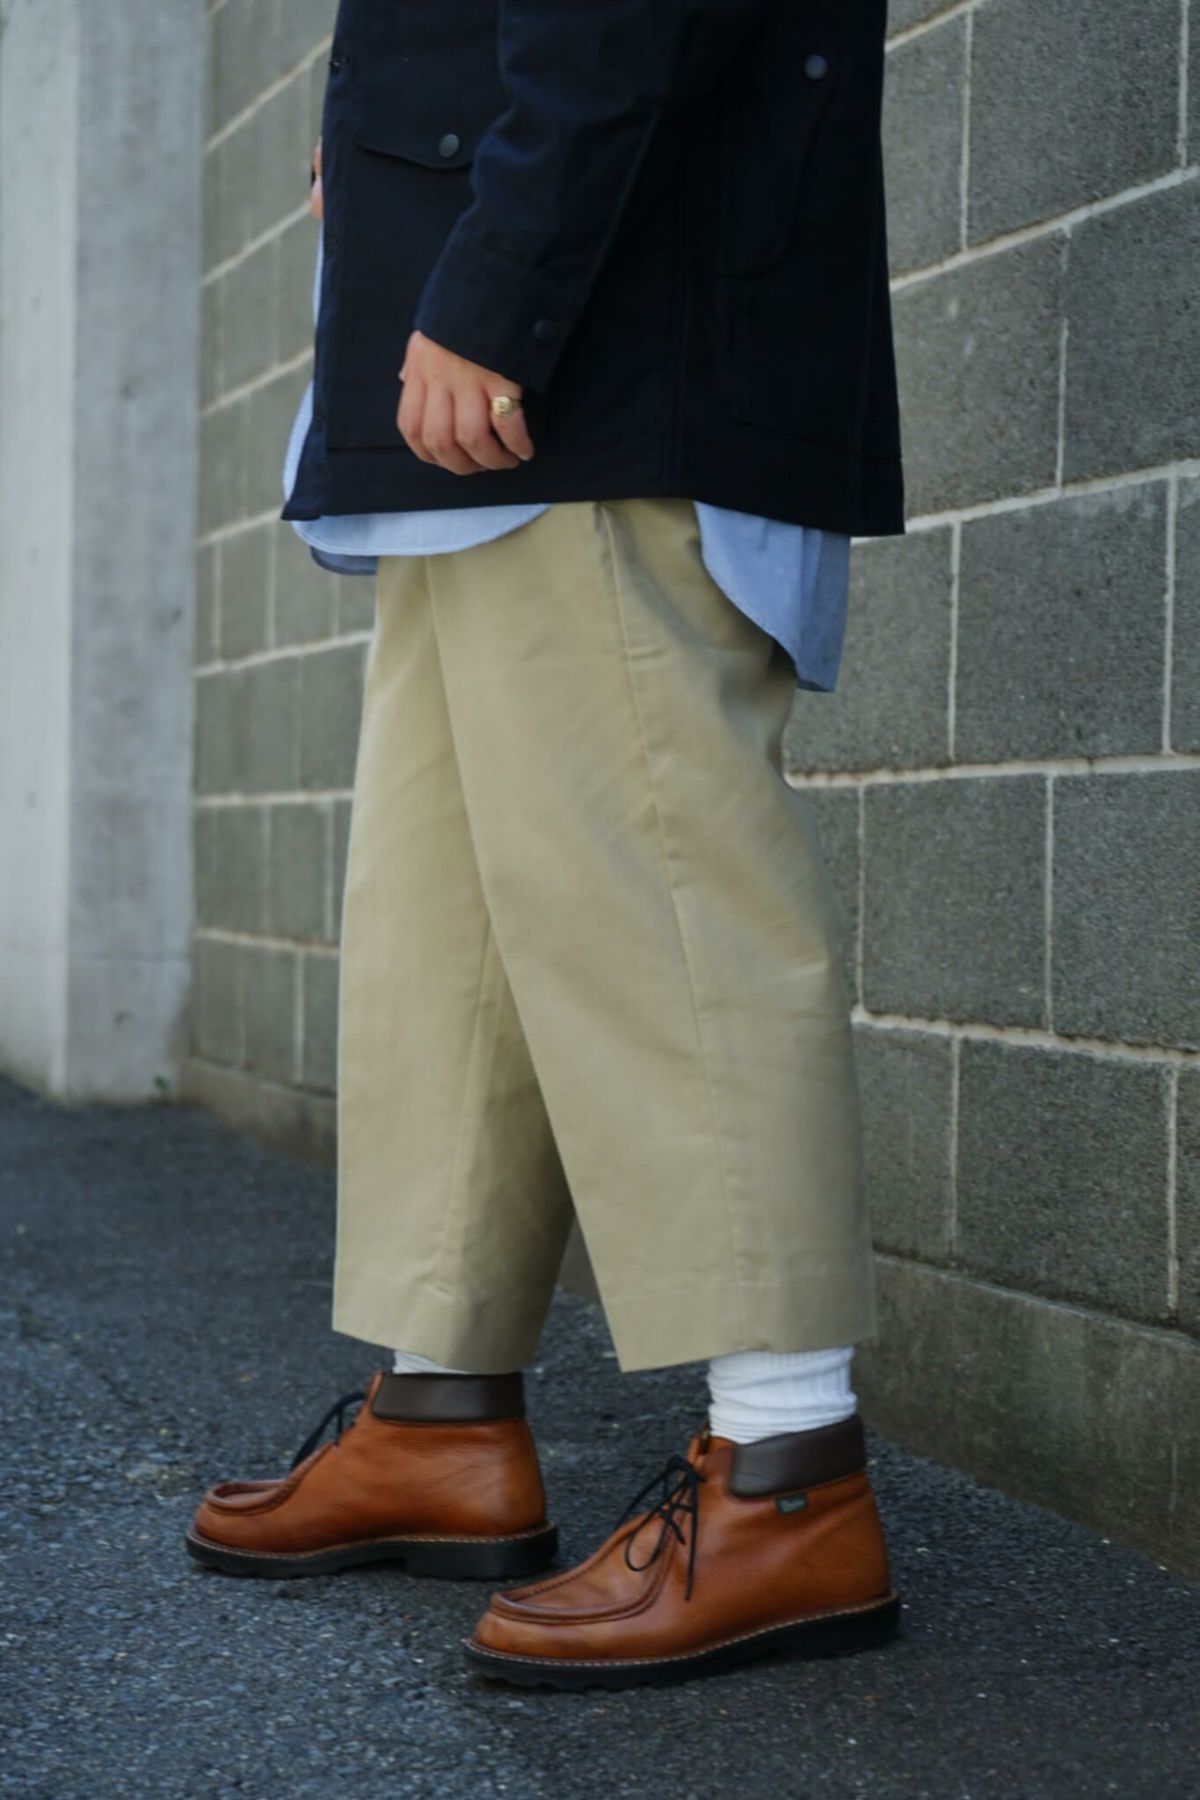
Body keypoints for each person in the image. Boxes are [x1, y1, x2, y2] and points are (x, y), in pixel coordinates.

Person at [188, 0, 905, 1691]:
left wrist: (498, 281)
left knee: (660, 908)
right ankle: (439, 1417)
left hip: (599, 343)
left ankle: (790, 1476)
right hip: (503, 337)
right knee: (449, 923)